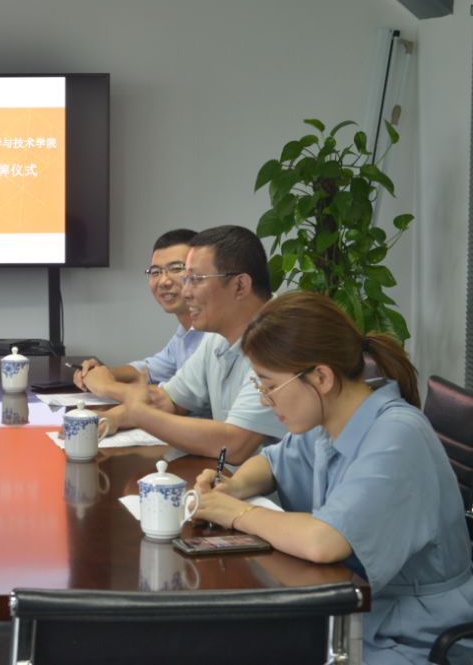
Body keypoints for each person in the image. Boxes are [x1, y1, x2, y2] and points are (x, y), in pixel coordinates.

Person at [192, 291, 473, 664]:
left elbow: (324, 541)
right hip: (358, 605)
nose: (263, 400)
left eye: (269, 385)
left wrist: (236, 513)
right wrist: (233, 486)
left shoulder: (398, 434)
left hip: (415, 633)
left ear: (321, 376)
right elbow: (273, 463)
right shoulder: (331, 418)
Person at [114, 225, 285, 463]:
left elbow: (234, 445)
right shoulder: (216, 337)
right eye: (186, 280)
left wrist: (141, 414)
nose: (185, 293)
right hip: (230, 479)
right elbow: (170, 400)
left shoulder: (282, 339)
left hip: (275, 488)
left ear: (240, 286)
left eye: (195, 280)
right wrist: (106, 420)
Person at [75, 228, 203, 398]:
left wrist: (107, 386)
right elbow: (149, 369)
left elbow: (177, 400)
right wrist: (102, 373)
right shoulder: (184, 334)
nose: (163, 281)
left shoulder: (214, 337)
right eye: (155, 272)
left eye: (176, 269)